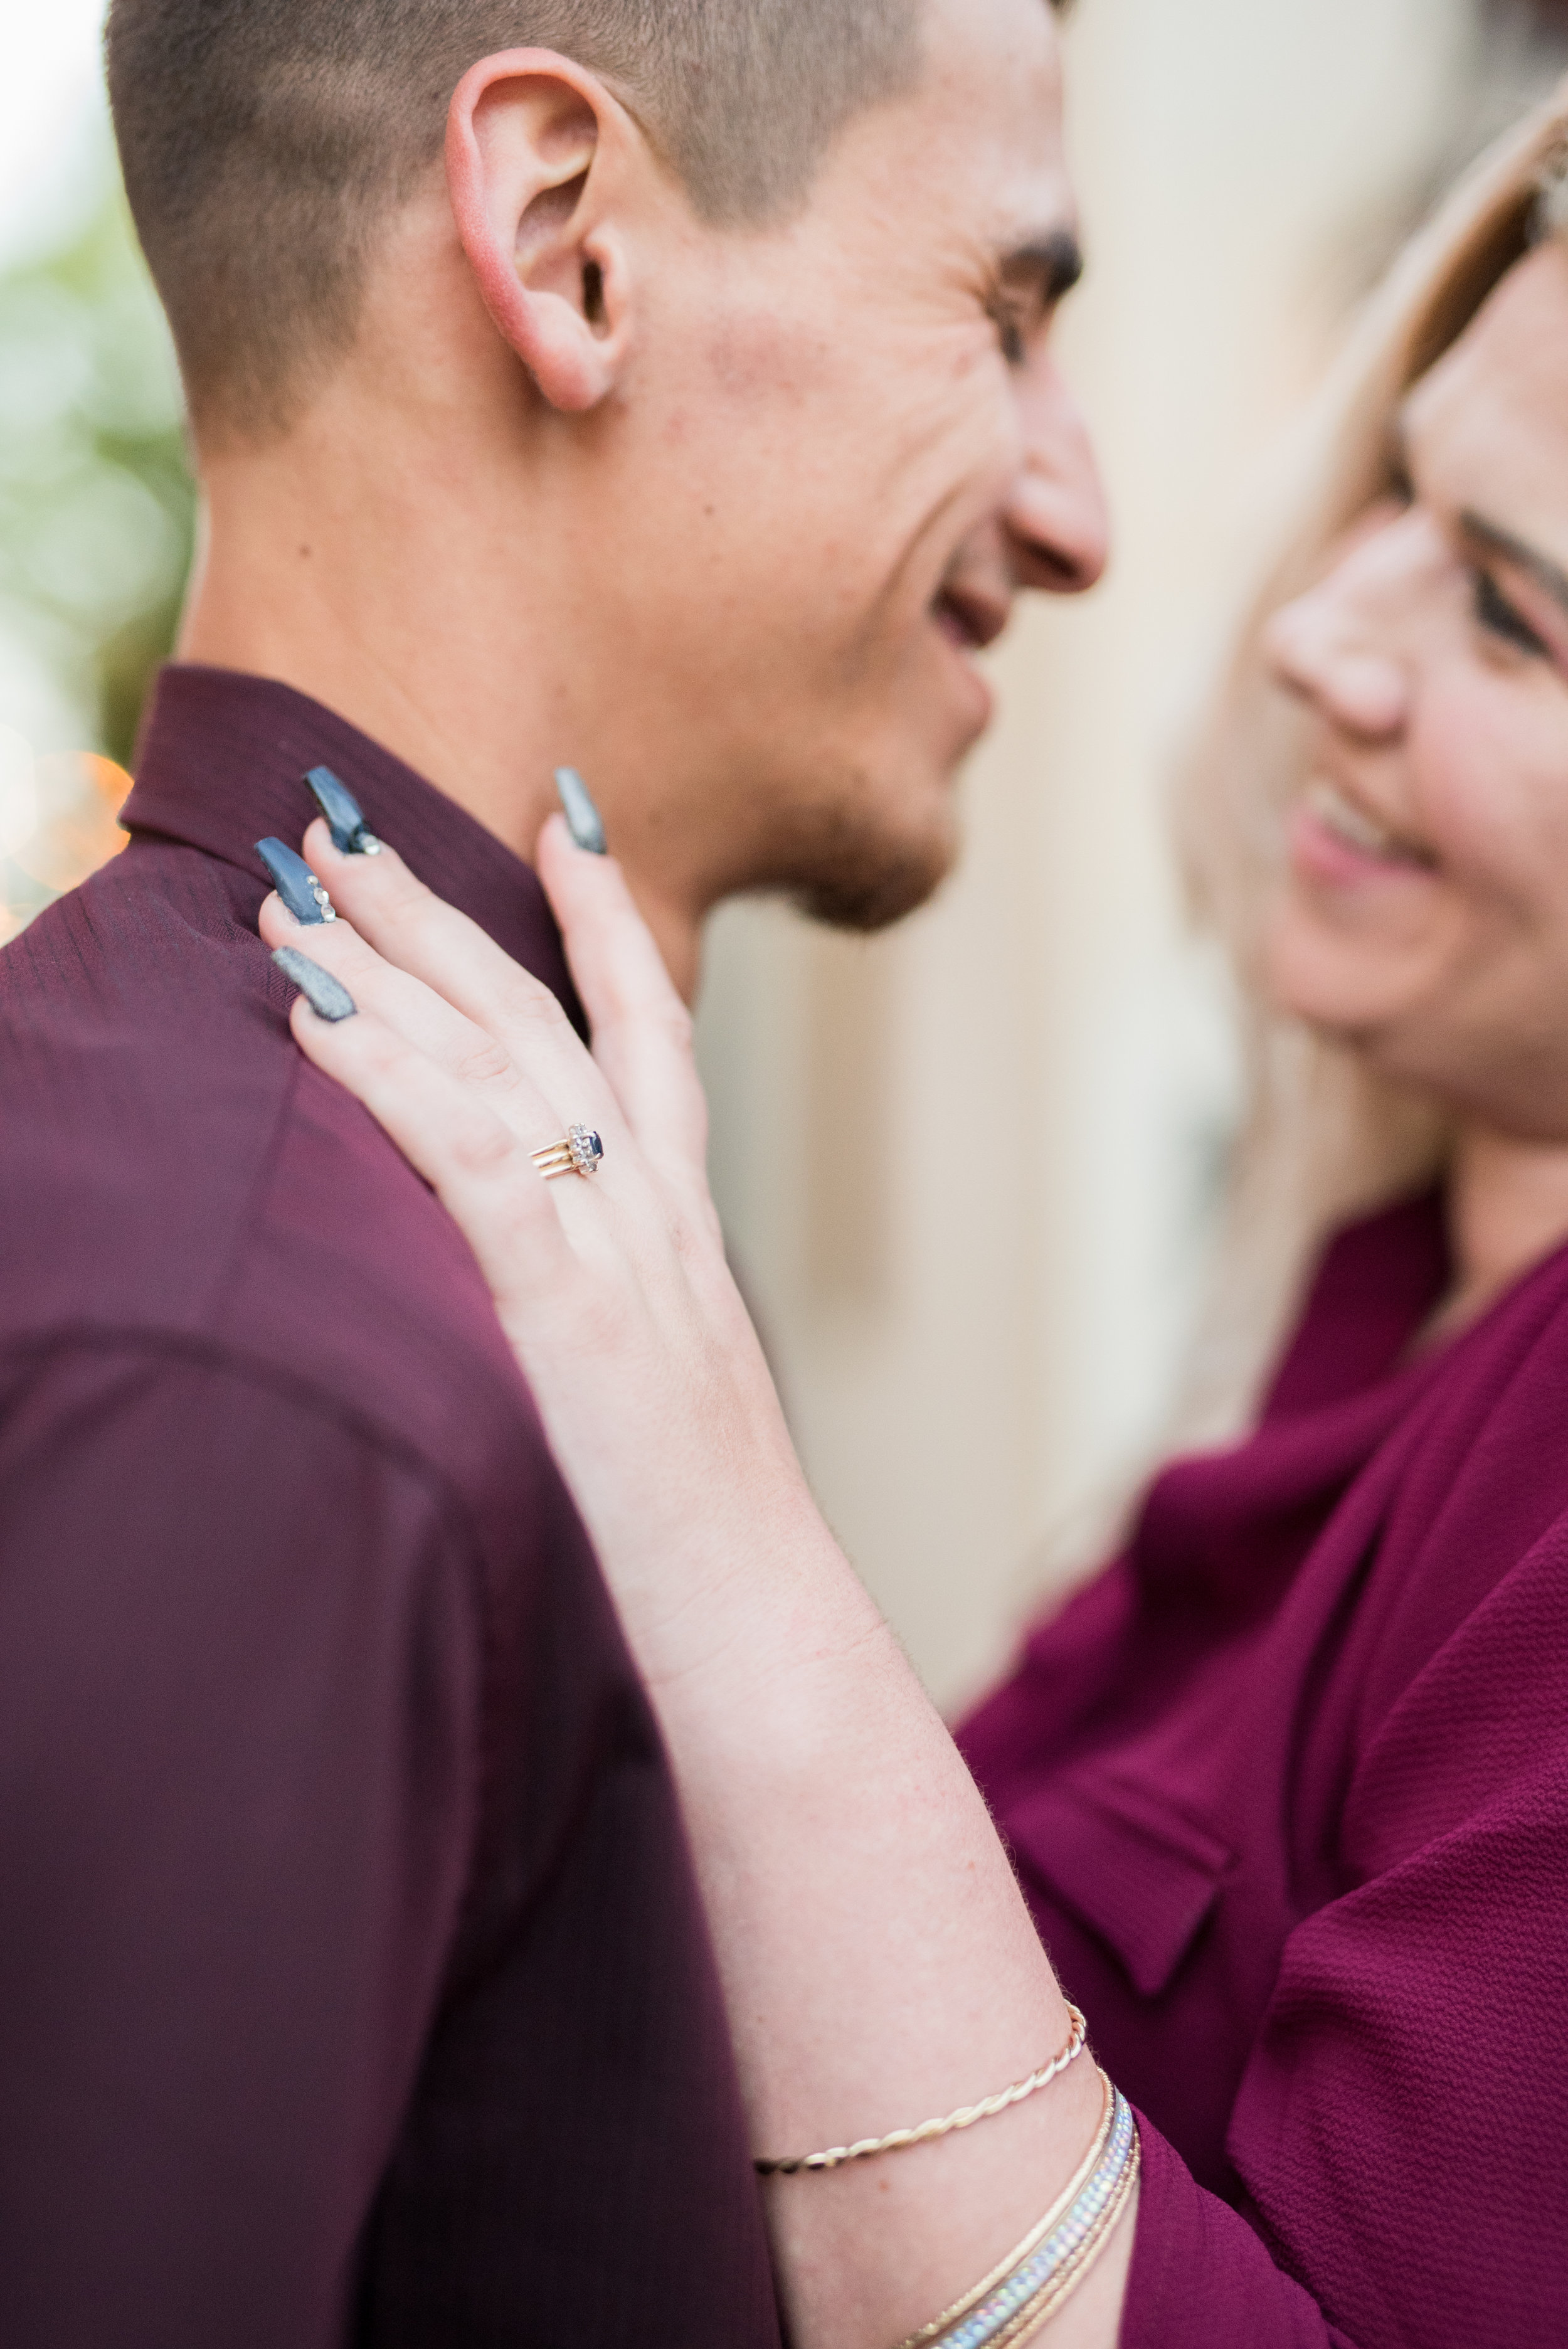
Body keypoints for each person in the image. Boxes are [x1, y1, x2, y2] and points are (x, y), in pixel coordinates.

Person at [259, 78, 1568, 2349]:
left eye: (1505, 613)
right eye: (1388, 494)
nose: (1313, 642)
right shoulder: (1375, 1284)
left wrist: (704, 1486)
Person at [0, 0, 1104, 2341]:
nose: (1078, 510)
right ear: (567, 244)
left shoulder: (518, 1234)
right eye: (1001, 319)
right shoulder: (254, 1391)